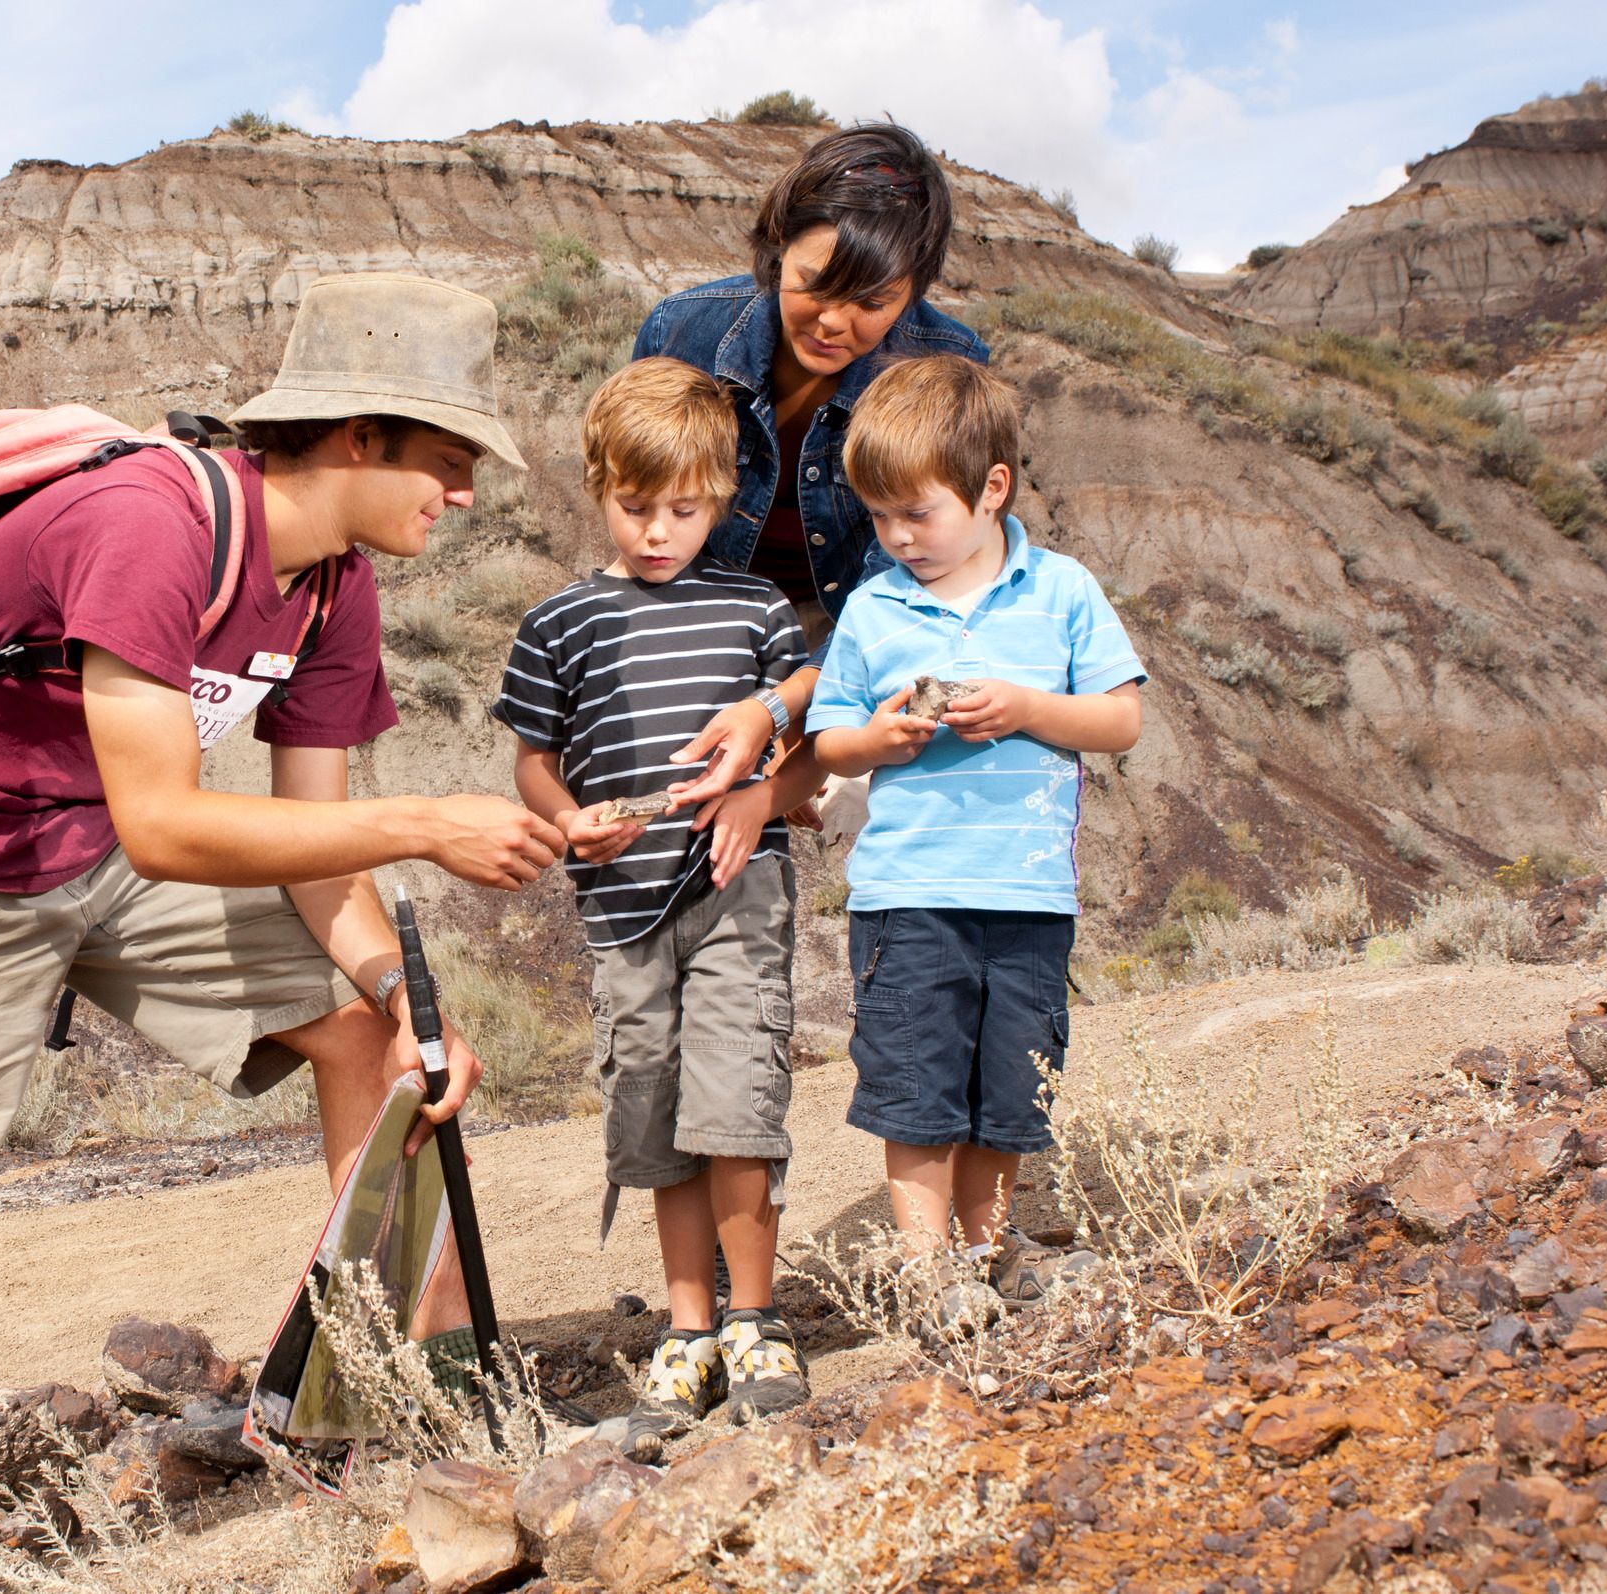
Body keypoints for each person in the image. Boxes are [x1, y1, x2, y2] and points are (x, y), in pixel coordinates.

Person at [0, 273, 567, 1592]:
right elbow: (170, 821)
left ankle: (402, 1403)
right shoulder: (153, 524)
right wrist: (431, 821)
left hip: (103, 844)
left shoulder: (335, 589)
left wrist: (403, 994)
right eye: (450, 461)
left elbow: (316, 851)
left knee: (369, 1039)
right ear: (358, 437)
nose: (463, 496)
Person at [490, 357, 812, 1457]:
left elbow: (808, 708)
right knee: (658, 1120)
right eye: (637, 507)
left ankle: (758, 1320)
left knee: (738, 1102)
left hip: (736, 892)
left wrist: (764, 778)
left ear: (722, 496)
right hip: (622, 910)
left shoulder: (757, 610)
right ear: (598, 488)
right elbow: (534, 762)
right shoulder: (560, 624)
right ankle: (688, 1331)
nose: (660, 530)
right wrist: (570, 820)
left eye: (685, 508)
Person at [796, 355, 1144, 1304]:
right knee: (915, 1086)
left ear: (992, 489)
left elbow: (1119, 721)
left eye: (919, 514)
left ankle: (989, 1254)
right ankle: (926, 1271)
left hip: (1029, 895)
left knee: (1008, 1093)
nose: (898, 537)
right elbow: (829, 743)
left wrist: (1028, 706)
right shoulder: (874, 608)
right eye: (879, 517)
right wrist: (883, 738)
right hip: (909, 896)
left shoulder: (1063, 591)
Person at [629, 121, 989, 816]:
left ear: (913, 292)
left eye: (872, 302)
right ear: (777, 248)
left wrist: (790, 712)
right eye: (814, 284)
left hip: (864, 619)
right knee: (675, 786)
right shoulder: (683, 331)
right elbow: (641, 499)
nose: (832, 321)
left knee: (854, 790)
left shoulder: (946, 367)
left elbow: (918, 581)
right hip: (714, 607)